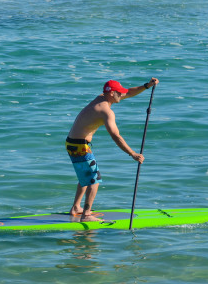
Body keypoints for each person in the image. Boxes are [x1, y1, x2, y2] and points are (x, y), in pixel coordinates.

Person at [65, 78, 158, 221]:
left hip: (72, 143)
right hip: (80, 147)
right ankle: (86, 215)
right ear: (112, 93)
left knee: (85, 176)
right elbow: (116, 136)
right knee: (94, 180)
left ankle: (76, 207)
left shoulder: (102, 98)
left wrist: (147, 86)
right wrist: (132, 153)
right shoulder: (106, 111)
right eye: (119, 93)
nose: (122, 95)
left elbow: (129, 92)